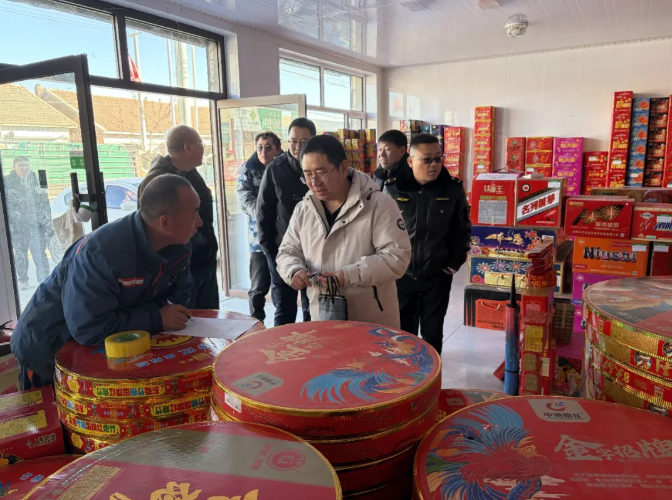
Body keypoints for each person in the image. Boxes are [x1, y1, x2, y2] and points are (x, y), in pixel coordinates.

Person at [11, 174, 200, 389]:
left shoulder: (179, 246)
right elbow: (89, 327)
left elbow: (178, 298)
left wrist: (162, 316)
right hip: (48, 347)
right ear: (165, 222)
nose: (200, 221)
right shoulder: (102, 253)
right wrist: (157, 318)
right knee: (64, 409)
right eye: (194, 213)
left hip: (112, 349)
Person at [276, 135, 411, 328]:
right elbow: (287, 252)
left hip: (371, 322)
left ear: (343, 168)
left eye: (322, 173)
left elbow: (396, 258)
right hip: (323, 317)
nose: (315, 182)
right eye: (307, 174)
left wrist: (348, 275)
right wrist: (293, 270)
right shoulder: (304, 209)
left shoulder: (378, 205)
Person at [386, 133, 471, 354]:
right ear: (410, 160)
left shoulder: (452, 189)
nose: (434, 164)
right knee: (403, 333)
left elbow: (462, 229)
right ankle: (405, 374)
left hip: (436, 275)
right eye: (427, 159)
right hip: (401, 276)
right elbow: (380, 231)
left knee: (432, 334)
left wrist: (454, 262)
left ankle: (432, 374)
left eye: (438, 158)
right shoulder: (392, 189)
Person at [139, 125, 219, 309]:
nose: (204, 149)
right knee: (186, 321)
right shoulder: (158, 182)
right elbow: (151, 231)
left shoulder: (192, 174)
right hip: (177, 267)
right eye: (201, 144)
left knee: (209, 317)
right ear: (187, 148)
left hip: (203, 260)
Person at [256, 118, 316, 326]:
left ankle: (312, 346)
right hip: (283, 251)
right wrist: (269, 252)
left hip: (316, 253)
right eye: (293, 141)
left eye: (304, 142)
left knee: (313, 309)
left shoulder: (321, 168)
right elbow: (263, 213)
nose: (298, 147)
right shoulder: (275, 169)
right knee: (284, 308)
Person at [236, 132, 282, 322]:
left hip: (283, 239)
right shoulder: (248, 170)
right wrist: (265, 212)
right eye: (260, 147)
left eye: (268, 147)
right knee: (257, 288)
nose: (263, 152)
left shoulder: (284, 168)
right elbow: (244, 199)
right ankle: (256, 325)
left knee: (281, 288)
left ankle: (282, 327)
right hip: (258, 241)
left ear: (278, 149)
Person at [4, 157, 52, 289]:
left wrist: (48, 224)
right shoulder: (7, 181)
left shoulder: (38, 179)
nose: (24, 168)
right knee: (20, 254)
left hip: (36, 225)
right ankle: (23, 280)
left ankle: (44, 279)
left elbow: (45, 202)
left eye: (26, 165)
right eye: (21, 165)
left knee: (40, 253)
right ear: (14, 167)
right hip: (18, 226)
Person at [373, 130, 409, 194]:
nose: (382, 154)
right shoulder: (378, 174)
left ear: (402, 151)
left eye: (387, 149)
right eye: (380, 149)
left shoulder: (410, 176)